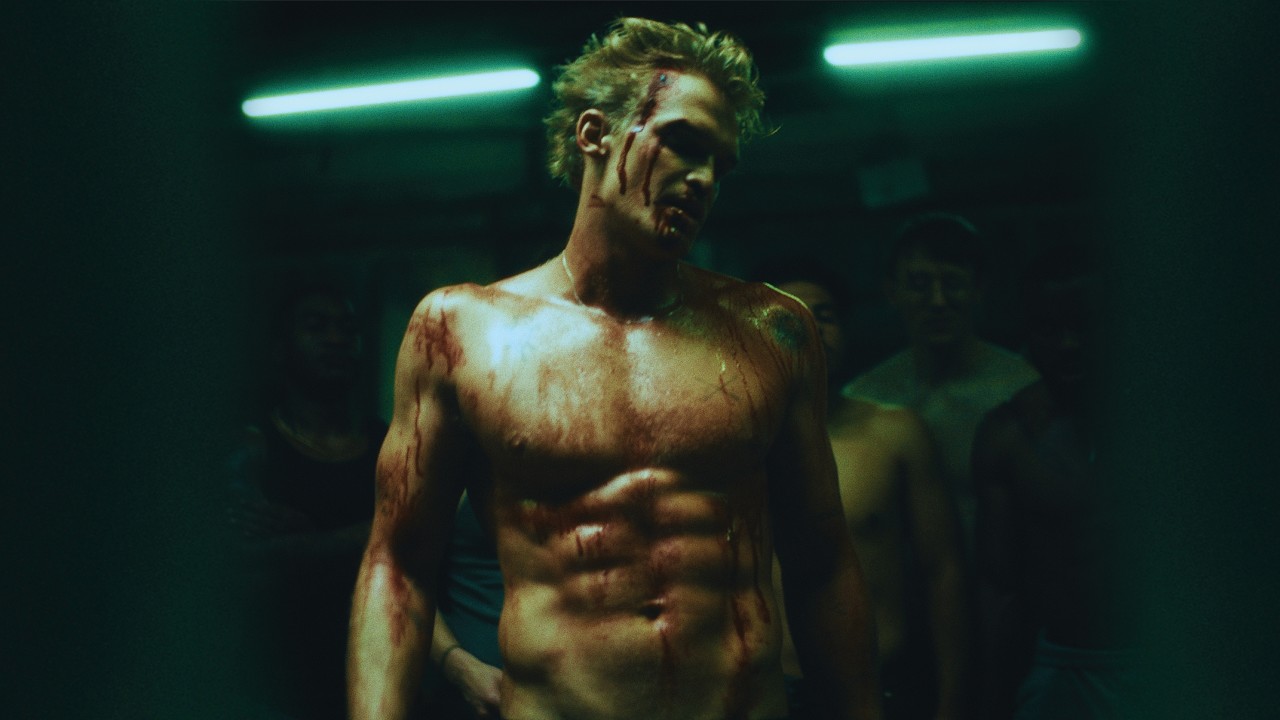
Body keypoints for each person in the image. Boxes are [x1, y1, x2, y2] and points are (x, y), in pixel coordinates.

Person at [347, 17, 882, 720]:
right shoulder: (461, 331)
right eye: (683, 143)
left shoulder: (773, 332)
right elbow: (399, 566)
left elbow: (822, 566)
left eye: (720, 165)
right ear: (595, 134)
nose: (703, 179)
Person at [758, 259, 970, 720]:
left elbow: (944, 572)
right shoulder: (734, 448)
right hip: (768, 695)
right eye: (790, 318)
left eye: (825, 316)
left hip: (882, 686)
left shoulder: (896, 434)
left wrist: (953, 700)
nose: (812, 329)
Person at [972, 243, 1138, 719]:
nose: (1068, 344)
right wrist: (993, 701)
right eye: (1049, 329)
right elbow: (999, 588)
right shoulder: (1008, 436)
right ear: (1028, 333)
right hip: (1062, 663)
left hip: (1164, 657)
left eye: (1083, 325)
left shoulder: (1172, 426)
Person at [225, 280, 386, 719]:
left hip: (369, 680)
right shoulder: (252, 447)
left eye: (347, 329)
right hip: (274, 688)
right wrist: (364, 536)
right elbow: (240, 560)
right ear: (281, 349)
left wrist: (307, 543)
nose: (336, 339)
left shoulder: (388, 445)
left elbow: (419, 536)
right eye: (316, 327)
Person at [843, 214, 1040, 562]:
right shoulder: (867, 396)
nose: (937, 301)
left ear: (979, 289)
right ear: (892, 291)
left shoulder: (1020, 388)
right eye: (920, 284)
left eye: (952, 283)